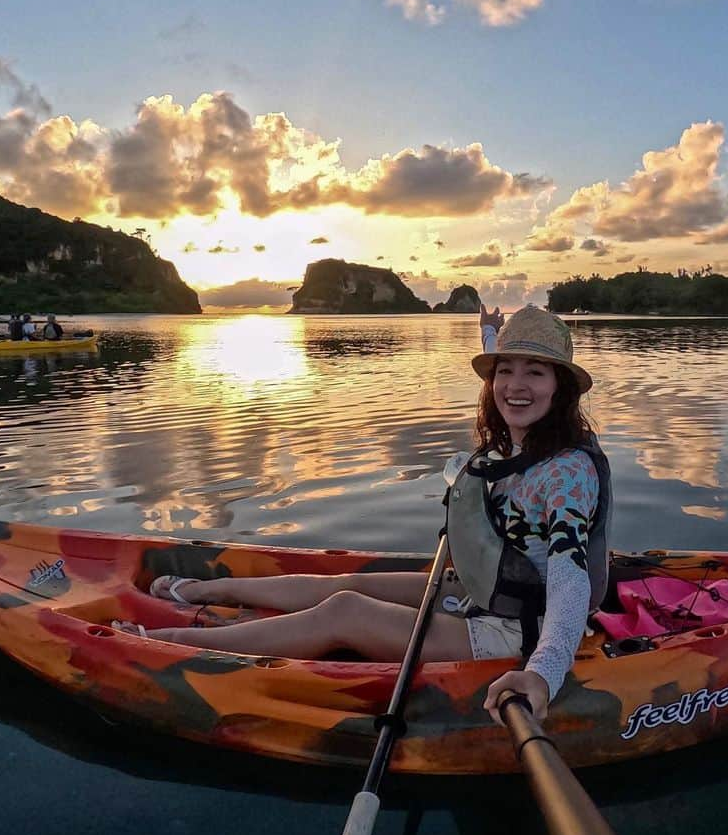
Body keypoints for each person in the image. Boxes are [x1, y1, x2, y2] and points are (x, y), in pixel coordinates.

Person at [115, 305, 611, 725]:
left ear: (560, 387)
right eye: (505, 369)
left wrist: (542, 671)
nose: (515, 386)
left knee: (345, 611)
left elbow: (571, 581)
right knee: (345, 584)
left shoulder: (567, 474)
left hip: (515, 628)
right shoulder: (522, 439)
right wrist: (487, 331)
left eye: (535, 372)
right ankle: (202, 591)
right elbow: (506, 380)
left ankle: (174, 641)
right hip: (477, 592)